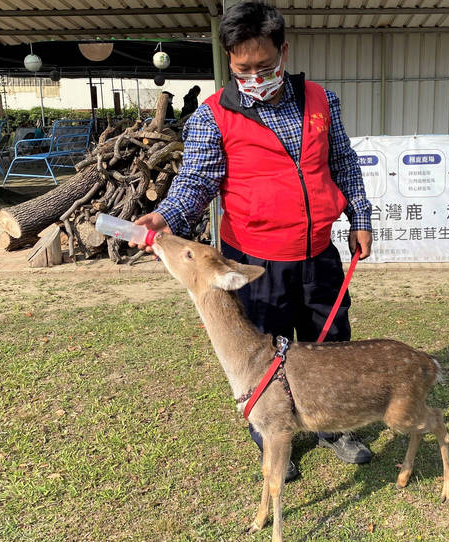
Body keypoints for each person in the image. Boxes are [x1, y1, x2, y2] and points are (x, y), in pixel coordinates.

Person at [130, 1, 374, 482]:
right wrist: (164, 216)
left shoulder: (322, 101)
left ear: (283, 51)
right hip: (256, 259)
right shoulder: (213, 116)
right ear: (229, 62)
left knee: (331, 341)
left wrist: (359, 216)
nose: (255, 76)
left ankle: (335, 425)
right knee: (266, 350)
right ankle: (269, 431)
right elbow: (196, 183)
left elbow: (343, 162)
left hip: (319, 252)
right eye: (243, 69)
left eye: (264, 66)